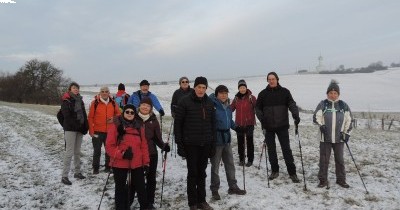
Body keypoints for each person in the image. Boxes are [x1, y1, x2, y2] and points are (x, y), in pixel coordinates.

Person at [174, 76, 216, 210]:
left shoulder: (209, 102)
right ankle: (192, 203)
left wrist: (212, 144)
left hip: (205, 143)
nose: (201, 90)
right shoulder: (184, 101)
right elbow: (178, 125)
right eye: (199, 87)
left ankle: (202, 200)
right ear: (195, 87)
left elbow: (213, 125)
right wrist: (180, 145)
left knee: (202, 172)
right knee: (192, 173)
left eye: (204, 87)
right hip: (190, 144)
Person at [255, 72, 301, 183]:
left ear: (277, 79)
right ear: (267, 80)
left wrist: (295, 114)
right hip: (268, 126)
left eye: (273, 79)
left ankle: (292, 172)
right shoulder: (262, 94)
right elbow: (257, 109)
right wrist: (262, 119)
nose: (271, 81)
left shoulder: (285, 92)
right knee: (271, 150)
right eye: (269, 79)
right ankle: (275, 171)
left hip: (282, 126)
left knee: (286, 150)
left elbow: (292, 104)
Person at [106, 104, 150, 209]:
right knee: (120, 188)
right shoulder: (115, 126)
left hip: (137, 163)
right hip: (119, 163)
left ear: (135, 114)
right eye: (127, 112)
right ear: (123, 113)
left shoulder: (139, 127)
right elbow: (109, 147)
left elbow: (144, 146)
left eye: (132, 112)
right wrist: (122, 154)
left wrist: (146, 162)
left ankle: (144, 207)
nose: (129, 114)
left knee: (141, 187)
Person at [313, 80, 353, 188]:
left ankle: (341, 179)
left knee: (339, 160)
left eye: (335, 93)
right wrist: (321, 125)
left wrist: (346, 133)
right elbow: (316, 117)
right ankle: (322, 180)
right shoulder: (323, 104)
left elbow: (349, 120)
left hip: (339, 138)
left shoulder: (343, 105)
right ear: (327, 94)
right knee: (324, 160)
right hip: (325, 138)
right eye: (331, 93)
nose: (333, 95)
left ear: (338, 94)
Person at [209, 85, 246, 201]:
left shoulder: (228, 107)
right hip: (216, 140)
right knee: (215, 166)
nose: (224, 95)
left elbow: (230, 121)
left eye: (226, 93)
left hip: (227, 139)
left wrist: (237, 128)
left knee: (230, 164)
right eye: (221, 93)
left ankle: (233, 186)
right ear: (216, 94)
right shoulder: (212, 106)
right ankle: (214, 189)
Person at [135, 97, 171, 209]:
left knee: (151, 178)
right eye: (143, 105)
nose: (145, 107)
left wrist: (164, 146)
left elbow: (157, 138)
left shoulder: (153, 120)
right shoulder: (133, 118)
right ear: (139, 106)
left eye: (148, 106)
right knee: (137, 179)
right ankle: (133, 199)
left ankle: (149, 202)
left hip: (151, 153)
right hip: (136, 154)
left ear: (151, 108)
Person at [60, 82, 89, 185]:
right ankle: (64, 176)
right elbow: (66, 116)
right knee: (69, 152)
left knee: (77, 152)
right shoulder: (66, 100)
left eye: (77, 88)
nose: (76, 89)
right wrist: (76, 125)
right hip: (70, 129)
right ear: (70, 89)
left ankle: (77, 172)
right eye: (74, 88)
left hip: (79, 129)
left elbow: (84, 114)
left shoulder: (80, 100)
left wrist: (86, 126)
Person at [88, 86, 121, 174]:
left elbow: (119, 114)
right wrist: (91, 131)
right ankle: (95, 167)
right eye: (102, 91)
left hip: (110, 131)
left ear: (109, 93)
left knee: (109, 150)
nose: (104, 93)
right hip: (97, 131)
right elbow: (90, 117)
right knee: (97, 150)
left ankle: (108, 166)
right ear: (100, 93)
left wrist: (113, 119)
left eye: (106, 91)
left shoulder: (113, 103)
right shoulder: (94, 103)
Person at [230, 79, 257, 167]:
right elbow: (231, 109)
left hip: (249, 123)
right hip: (239, 124)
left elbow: (257, 109)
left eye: (243, 87)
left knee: (249, 143)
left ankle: (250, 159)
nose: (242, 89)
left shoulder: (252, 98)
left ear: (246, 87)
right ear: (238, 88)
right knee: (240, 143)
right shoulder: (236, 98)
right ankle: (241, 159)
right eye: (240, 87)